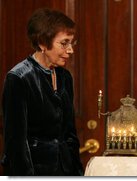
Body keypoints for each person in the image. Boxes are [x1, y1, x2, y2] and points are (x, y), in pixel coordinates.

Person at [1, 8, 84, 176]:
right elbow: (15, 143)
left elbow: (70, 134)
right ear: (42, 43)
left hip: (65, 171)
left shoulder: (65, 77)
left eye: (71, 43)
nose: (71, 50)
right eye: (64, 43)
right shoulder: (19, 78)